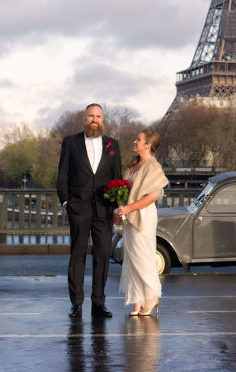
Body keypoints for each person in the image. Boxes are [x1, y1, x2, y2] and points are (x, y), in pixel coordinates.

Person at [57, 103, 122, 318]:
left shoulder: (113, 144)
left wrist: (116, 206)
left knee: (102, 255)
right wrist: (66, 202)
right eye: (91, 116)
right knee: (77, 256)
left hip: (104, 210)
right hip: (79, 208)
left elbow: (117, 178)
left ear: (103, 120)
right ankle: (76, 304)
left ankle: (98, 303)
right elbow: (63, 175)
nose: (94, 119)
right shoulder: (70, 142)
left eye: (98, 116)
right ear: (84, 118)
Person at [116, 130, 168, 317]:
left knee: (142, 255)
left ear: (148, 145)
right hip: (130, 215)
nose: (134, 141)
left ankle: (152, 297)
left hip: (144, 215)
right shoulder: (134, 165)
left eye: (138, 139)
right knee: (131, 256)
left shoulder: (153, 167)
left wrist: (128, 209)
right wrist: (120, 209)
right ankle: (137, 299)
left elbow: (153, 196)